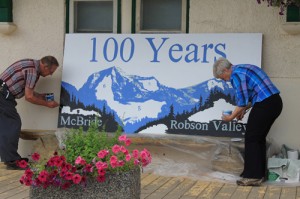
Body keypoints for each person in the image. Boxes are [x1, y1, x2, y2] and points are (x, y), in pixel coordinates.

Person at [213, 57, 282, 186]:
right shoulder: (243, 68)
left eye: (223, 77)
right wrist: (241, 111)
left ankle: (252, 176)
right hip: (274, 102)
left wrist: (231, 117)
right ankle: (259, 174)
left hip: (265, 104)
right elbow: (251, 97)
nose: (225, 81)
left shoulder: (236, 75)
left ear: (226, 70)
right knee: (258, 138)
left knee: (251, 138)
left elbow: (242, 101)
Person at [0, 56, 60, 170]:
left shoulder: (31, 65)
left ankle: (11, 158)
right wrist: (47, 104)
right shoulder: (33, 71)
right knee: (12, 124)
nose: (50, 74)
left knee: (7, 126)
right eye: (51, 71)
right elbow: (29, 97)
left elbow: (29, 91)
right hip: (3, 95)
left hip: (2, 93)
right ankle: (12, 160)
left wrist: (41, 96)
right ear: (45, 66)